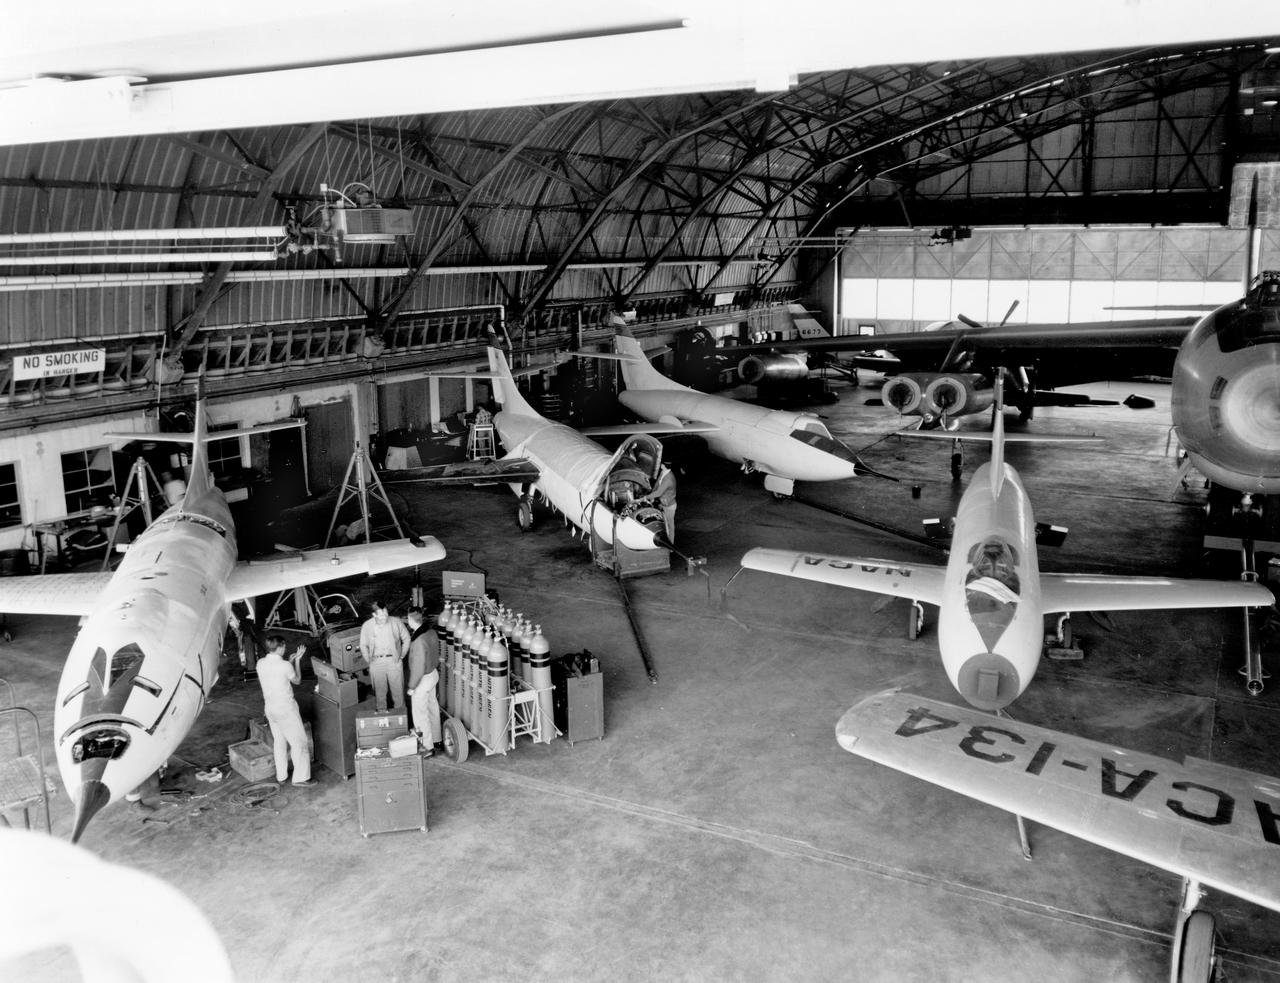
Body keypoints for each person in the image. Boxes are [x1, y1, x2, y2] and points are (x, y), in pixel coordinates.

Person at [256, 635, 315, 787]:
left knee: (279, 742)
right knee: (299, 743)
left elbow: (276, 674)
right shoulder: (284, 666)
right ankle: (300, 778)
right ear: (280, 647)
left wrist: (288, 661)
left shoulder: (260, 663)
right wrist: (297, 661)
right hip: (286, 709)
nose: (285, 648)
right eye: (284, 646)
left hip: (270, 709)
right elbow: (297, 680)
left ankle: (281, 776)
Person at [359, 600, 411, 712]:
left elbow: (406, 638)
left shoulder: (396, 622)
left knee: (398, 693)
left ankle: (400, 718)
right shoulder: (367, 626)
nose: (385, 617)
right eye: (382, 615)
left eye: (386, 613)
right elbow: (363, 645)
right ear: (374, 615)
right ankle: (382, 718)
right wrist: (369, 660)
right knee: (380, 694)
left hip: (394, 661)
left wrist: (402, 655)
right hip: (376, 663)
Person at [405, 607, 441, 749]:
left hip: (423, 680)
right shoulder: (431, 632)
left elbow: (418, 668)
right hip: (433, 674)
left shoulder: (418, 641)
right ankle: (437, 739)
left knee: (420, 715)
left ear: (411, 620)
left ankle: (427, 746)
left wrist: (412, 687)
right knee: (433, 708)